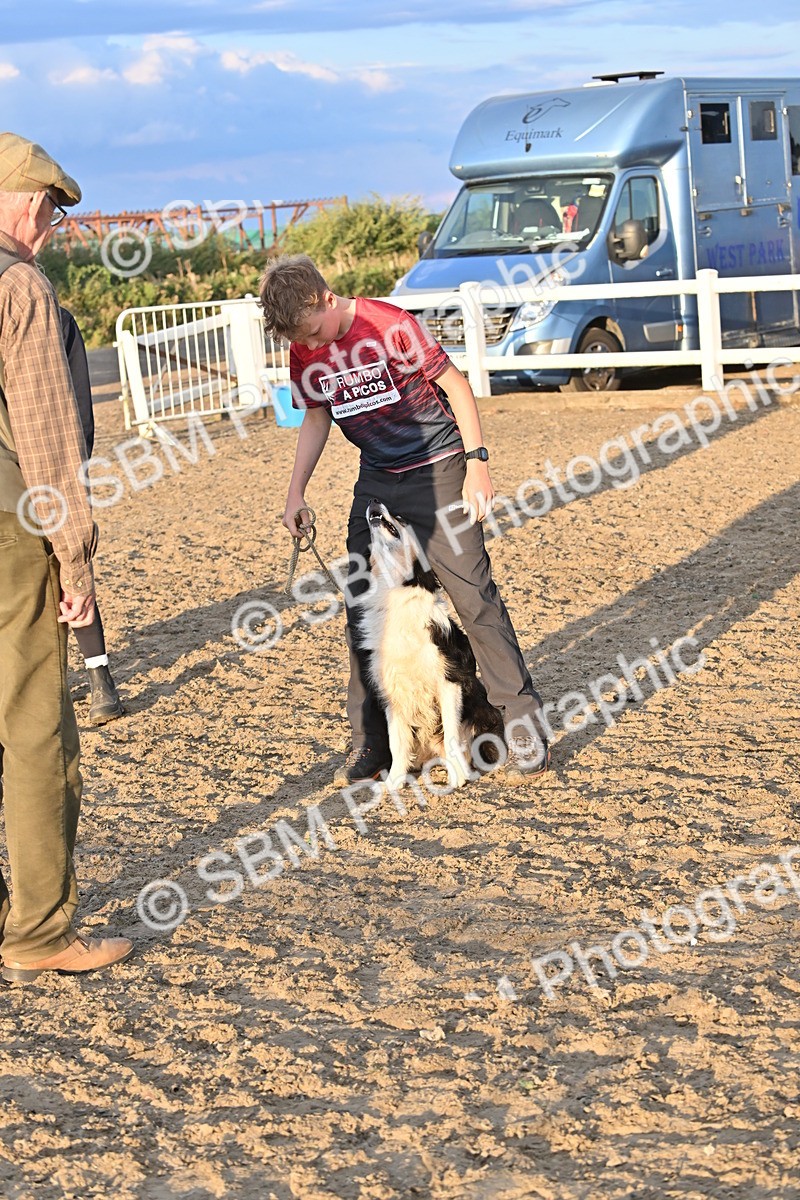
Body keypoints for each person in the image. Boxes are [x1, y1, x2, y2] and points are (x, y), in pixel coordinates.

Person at [260, 254, 550, 787]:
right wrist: (295, 490)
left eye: (315, 331)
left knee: (474, 598)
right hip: (377, 479)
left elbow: (457, 387)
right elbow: (318, 413)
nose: (314, 346)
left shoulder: (391, 326)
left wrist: (477, 465)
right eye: (303, 340)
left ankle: (522, 722)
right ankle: (374, 742)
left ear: (326, 299)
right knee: (364, 609)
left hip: (438, 469)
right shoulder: (305, 349)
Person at [0, 131, 133, 981]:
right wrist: (75, 567)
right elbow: (49, 445)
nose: (51, 227)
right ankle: (41, 932)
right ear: (22, 202)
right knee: (35, 724)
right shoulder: (20, 287)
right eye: (50, 210)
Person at [59, 307, 125, 723]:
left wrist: (75, 466)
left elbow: (80, 399)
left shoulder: (58, 319)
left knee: (72, 563)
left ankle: (99, 676)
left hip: (54, 469)